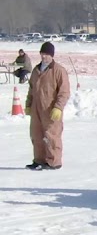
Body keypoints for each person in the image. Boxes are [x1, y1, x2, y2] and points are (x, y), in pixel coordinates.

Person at [25, 42, 71, 170]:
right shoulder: (36, 70)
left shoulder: (59, 71)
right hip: (36, 109)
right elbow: (31, 89)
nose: (44, 57)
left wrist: (58, 107)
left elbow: (64, 91)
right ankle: (39, 160)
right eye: (42, 54)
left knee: (52, 135)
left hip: (50, 109)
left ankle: (53, 161)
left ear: (52, 55)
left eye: (47, 54)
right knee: (36, 135)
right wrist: (28, 104)